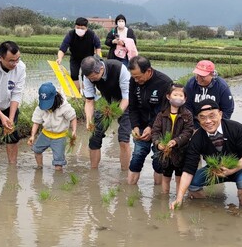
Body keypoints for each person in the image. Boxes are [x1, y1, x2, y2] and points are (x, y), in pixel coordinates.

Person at [170, 99, 242, 209]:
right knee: (192, 185)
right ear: (198, 119)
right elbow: (188, 170)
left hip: (241, 165)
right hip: (215, 168)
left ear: (220, 114)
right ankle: (208, 207)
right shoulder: (197, 138)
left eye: (212, 116)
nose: (208, 121)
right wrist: (179, 199)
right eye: (203, 117)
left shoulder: (236, 128)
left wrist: (232, 170)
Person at [127, 55, 173, 185]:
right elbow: (133, 107)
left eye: (138, 77)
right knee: (137, 157)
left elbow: (164, 110)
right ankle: (130, 191)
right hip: (141, 125)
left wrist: (151, 127)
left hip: (160, 128)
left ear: (148, 71)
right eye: (133, 77)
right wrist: (135, 126)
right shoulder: (134, 81)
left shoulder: (164, 83)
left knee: (159, 161)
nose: (136, 80)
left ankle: (158, 196)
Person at [81, 55, 131, 170]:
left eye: (94, 77)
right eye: (90, 79)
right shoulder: (87, 75)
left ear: (101, 69)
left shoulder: (119, 68)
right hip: (107, 102)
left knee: (123, 139)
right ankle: (93, 172)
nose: (92, 80)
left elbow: (126, 97)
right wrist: (89, 121)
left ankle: (124, 173)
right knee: (94, 137)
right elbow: (89, 101)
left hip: (126, 102)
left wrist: (116, 113)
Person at [151, 83, 194, 194]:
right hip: (166, 154)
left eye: (181, 96)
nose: (178, 98)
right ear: (168, 96)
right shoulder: (161, 114)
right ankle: (164, 202)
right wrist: (158, 143)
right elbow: (155, 131)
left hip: (181, 152)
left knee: (179, 178)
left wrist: (176, 141)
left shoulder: (187, 115)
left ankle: (178, 200)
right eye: (175, 95)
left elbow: (188, 132)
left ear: (185, 99)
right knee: (166, 178)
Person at [27, 82, 77, 171]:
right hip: (45, 134)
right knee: (36, 150)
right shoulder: (40, 107)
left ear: (55, 97)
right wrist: (32, 136)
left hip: (60, 136)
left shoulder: (64, 107)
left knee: (58, 162)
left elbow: (73, 118)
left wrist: (74, 131)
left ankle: (58, 180)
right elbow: (36, 121)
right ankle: (39, 168)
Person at [56, 17, 102, 91]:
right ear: (75, 27)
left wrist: (97, 59)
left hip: (88, 59)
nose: (80, 30)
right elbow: (62, 48)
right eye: (78, 27)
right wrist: (60, 58)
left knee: (86, 76)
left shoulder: (92, 35)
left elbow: (98, 47)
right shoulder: (70, 34)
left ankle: (86, 94)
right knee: (74, 75)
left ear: (86, 28)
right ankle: (77, 94)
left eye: (82, 28)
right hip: (75, 58)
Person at [184, 60, 234, 126]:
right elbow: (187, 106)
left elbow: (227, 110)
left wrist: (217, 126)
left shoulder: (222, 87)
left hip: (215, 122)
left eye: (202, 76)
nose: (199, 79)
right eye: (198, 75)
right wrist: (192, 125)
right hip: (195, 121)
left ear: (212, 75)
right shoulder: (191, 84)